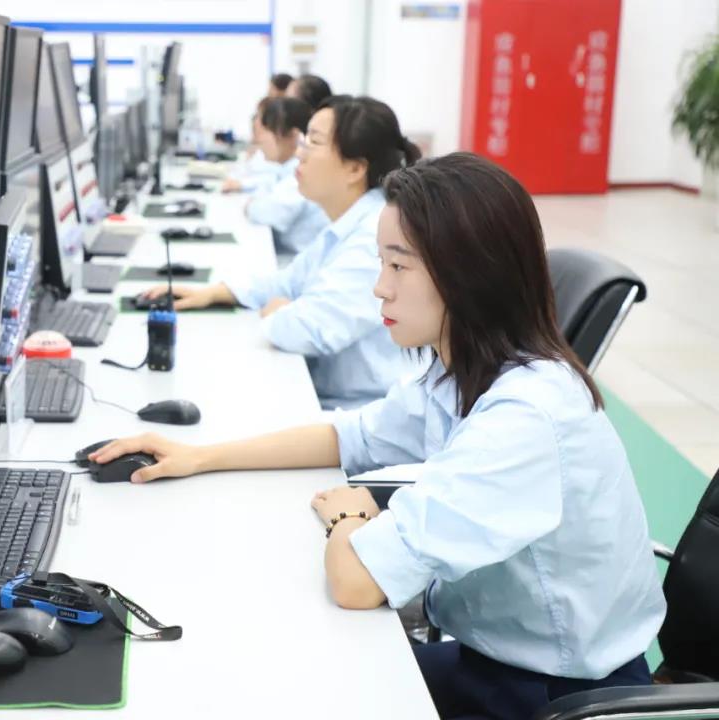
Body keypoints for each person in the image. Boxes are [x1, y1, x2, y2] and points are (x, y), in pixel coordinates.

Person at [97, 153, 667, 720]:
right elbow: (350, 436)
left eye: (399, 266)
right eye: (381, 263)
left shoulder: (526, 417)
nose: (379, 288)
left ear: (469, 274)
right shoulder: (464, 369)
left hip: (552, 696)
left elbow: (356, 583)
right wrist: (201, 457)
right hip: (492, 659)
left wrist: (348, 516)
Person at [145, 96, 421, 409]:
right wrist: (218, 292)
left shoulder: (373, 238)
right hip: (323, 394)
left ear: (355, 168)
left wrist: (279, 310)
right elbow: (288, 282)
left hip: (352, 411)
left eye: (313, 142)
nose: (299, 153)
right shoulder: (347, 223)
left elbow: (306, 330)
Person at [245, 97, 328, 258]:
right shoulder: (287, 169)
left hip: (296, 258)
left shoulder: (302, 172)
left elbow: (269, 212)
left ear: (293, 136)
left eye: (266, 130)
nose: (260, 139)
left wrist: (249, 206)